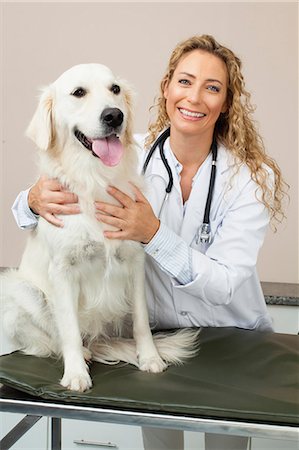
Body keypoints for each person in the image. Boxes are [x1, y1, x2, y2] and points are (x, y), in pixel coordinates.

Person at [12, 35, 286, 450]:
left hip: (230, 340)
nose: (194, 97)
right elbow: (52, 196)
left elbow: (226, 284)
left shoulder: (251, 177)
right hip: (157, 335)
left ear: (226, 103)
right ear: (166, 87)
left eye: (212, 87)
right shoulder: (122, 152)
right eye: (184, 81)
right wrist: (30, 201)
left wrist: (153, 234)